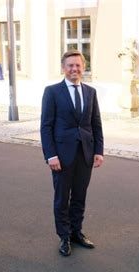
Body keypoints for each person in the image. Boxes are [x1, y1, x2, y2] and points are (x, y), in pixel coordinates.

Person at [40, 50, 104, 257]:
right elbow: (46, 126)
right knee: (61, 198)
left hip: (85, 153)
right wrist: (51, 155)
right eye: (70, 66)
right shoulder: (52, 91)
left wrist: (98, 151)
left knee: (79, 196)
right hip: (61, 155)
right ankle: (64, 237)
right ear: (63, 68)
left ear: (83, 67)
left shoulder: (90, 92)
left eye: (78, 65)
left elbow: (95, 124)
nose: (74, 69)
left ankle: (77, 232)